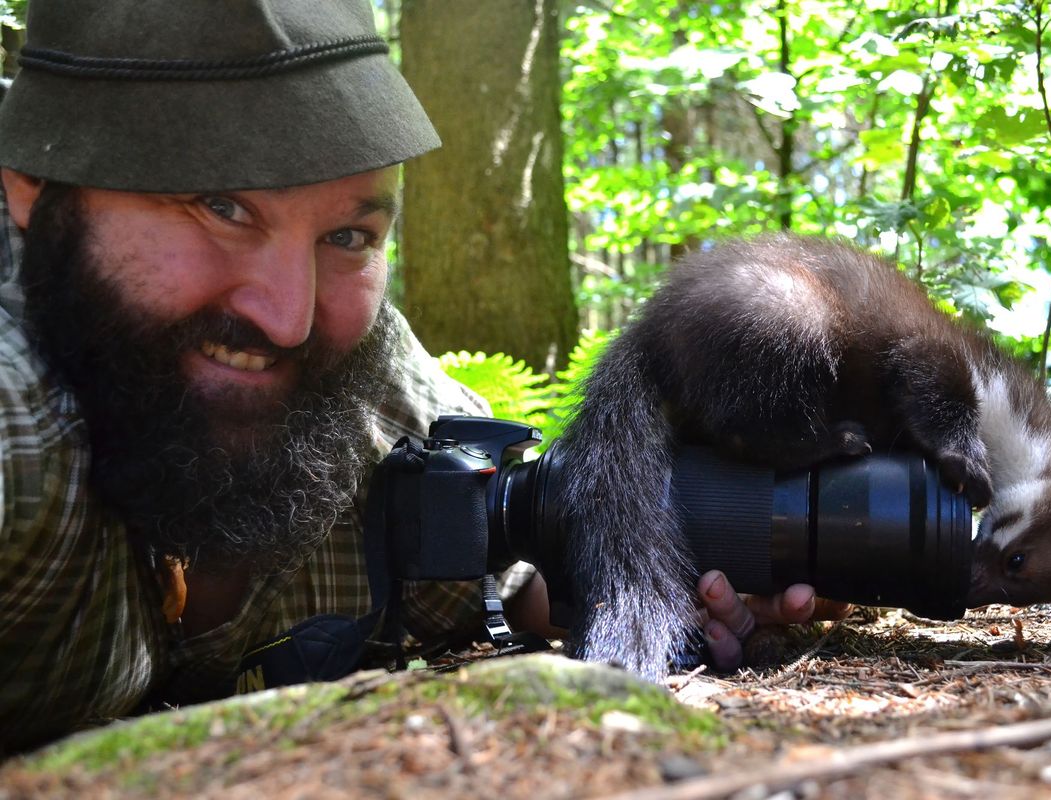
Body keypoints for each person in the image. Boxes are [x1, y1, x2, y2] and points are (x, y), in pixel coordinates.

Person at [0, 0, 838, 750]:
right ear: (32, 190)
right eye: (220, 208)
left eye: (349, 237)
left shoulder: (368, 390)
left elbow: (521, 558)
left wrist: (708, 556)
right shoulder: (18, 422)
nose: (288, 317)